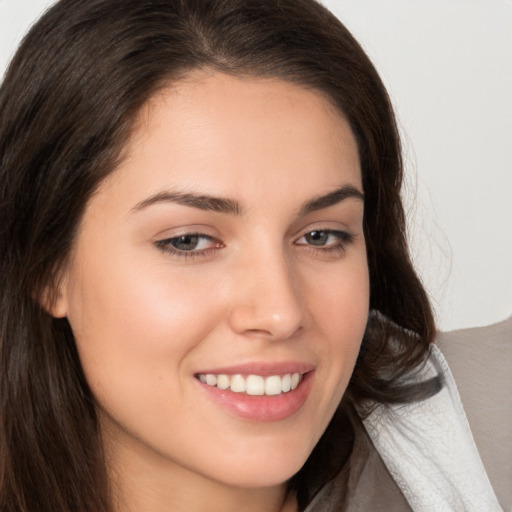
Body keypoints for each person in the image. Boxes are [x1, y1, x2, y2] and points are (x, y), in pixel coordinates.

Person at [0, 1, 502, 511]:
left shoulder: (483, 428)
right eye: (189, 241)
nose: (280, 313)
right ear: (47, 266)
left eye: (321, 236)